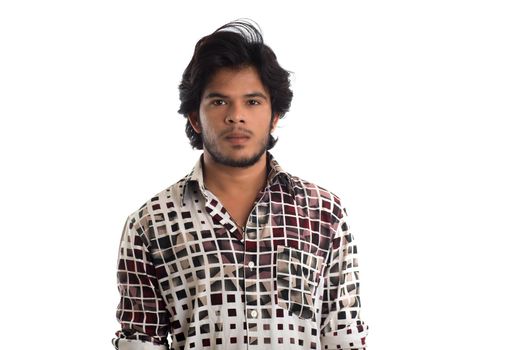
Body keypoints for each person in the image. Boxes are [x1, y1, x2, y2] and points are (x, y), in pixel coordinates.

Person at [112, 19, 369, 350]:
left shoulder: (324, 213)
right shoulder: (151, 224)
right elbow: (140, 342)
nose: (236, 116)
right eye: (219, 102)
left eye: (252, 101)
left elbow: (343, 335)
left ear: (275, 114)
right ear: (195, 117)